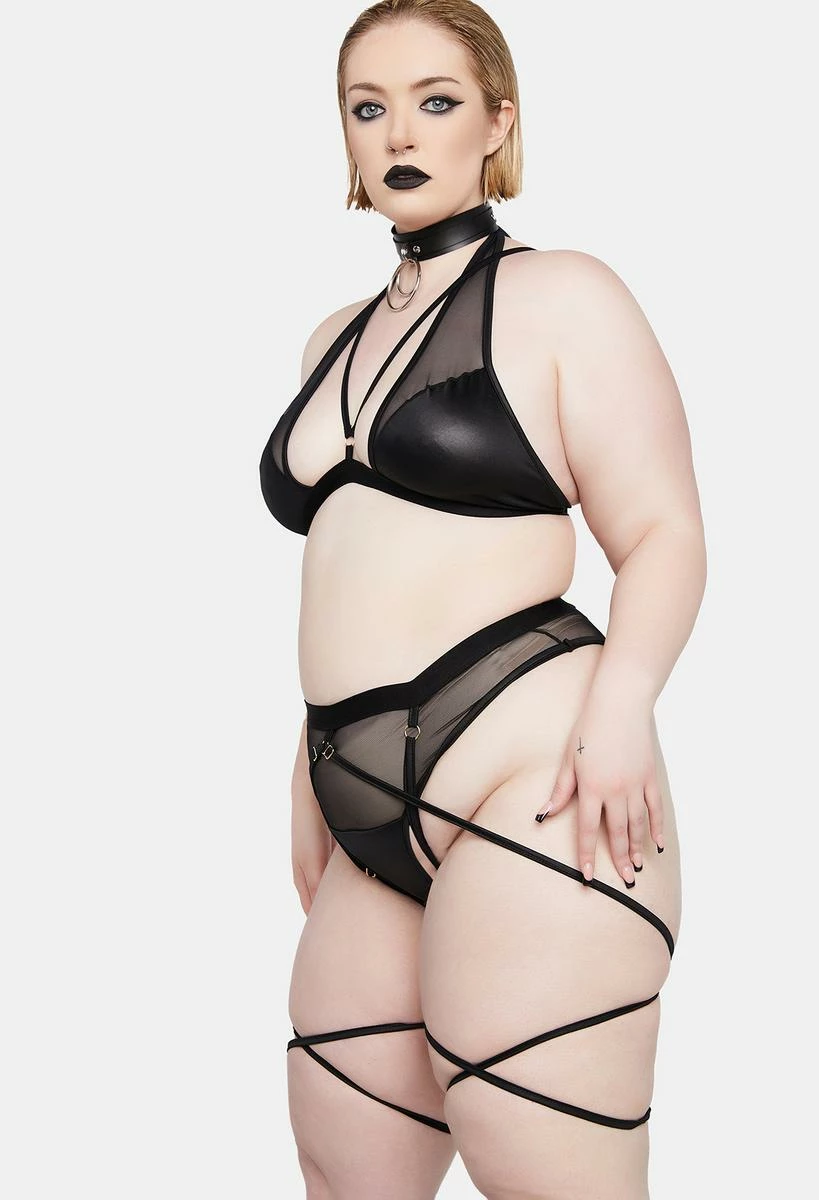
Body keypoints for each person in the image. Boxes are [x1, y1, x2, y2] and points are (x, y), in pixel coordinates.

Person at [259, 1, 705, 1195]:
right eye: (369, 107)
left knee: (544, 1171)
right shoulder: (330, 340)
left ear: (498, 121)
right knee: (345, 1165)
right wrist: (304, 759)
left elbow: (664, 534)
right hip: (357, 786)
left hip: (536, 775)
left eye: (437, 101)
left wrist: (626, 707)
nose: (399, 132)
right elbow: (350, 568)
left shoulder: (566, 294)